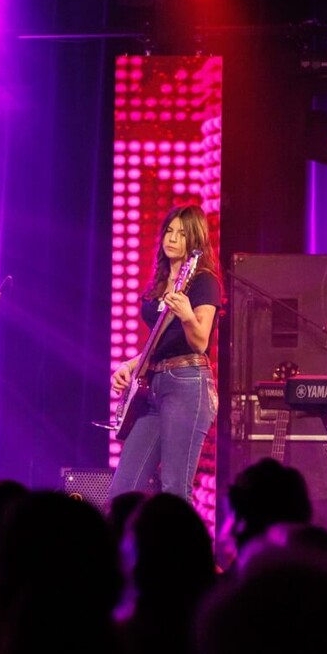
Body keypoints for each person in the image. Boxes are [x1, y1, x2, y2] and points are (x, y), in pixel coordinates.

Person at [108, 204, 220, 503]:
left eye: (181, 234)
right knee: (123, 490)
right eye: (169, 231)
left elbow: (200, 341)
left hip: (187, 383)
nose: (172, 238)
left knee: (175, 489)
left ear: (194, 241)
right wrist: (129, 365)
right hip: (153, 387)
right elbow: (159, 343)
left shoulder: (203, 281)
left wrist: (187, 315)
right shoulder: (160, 283)